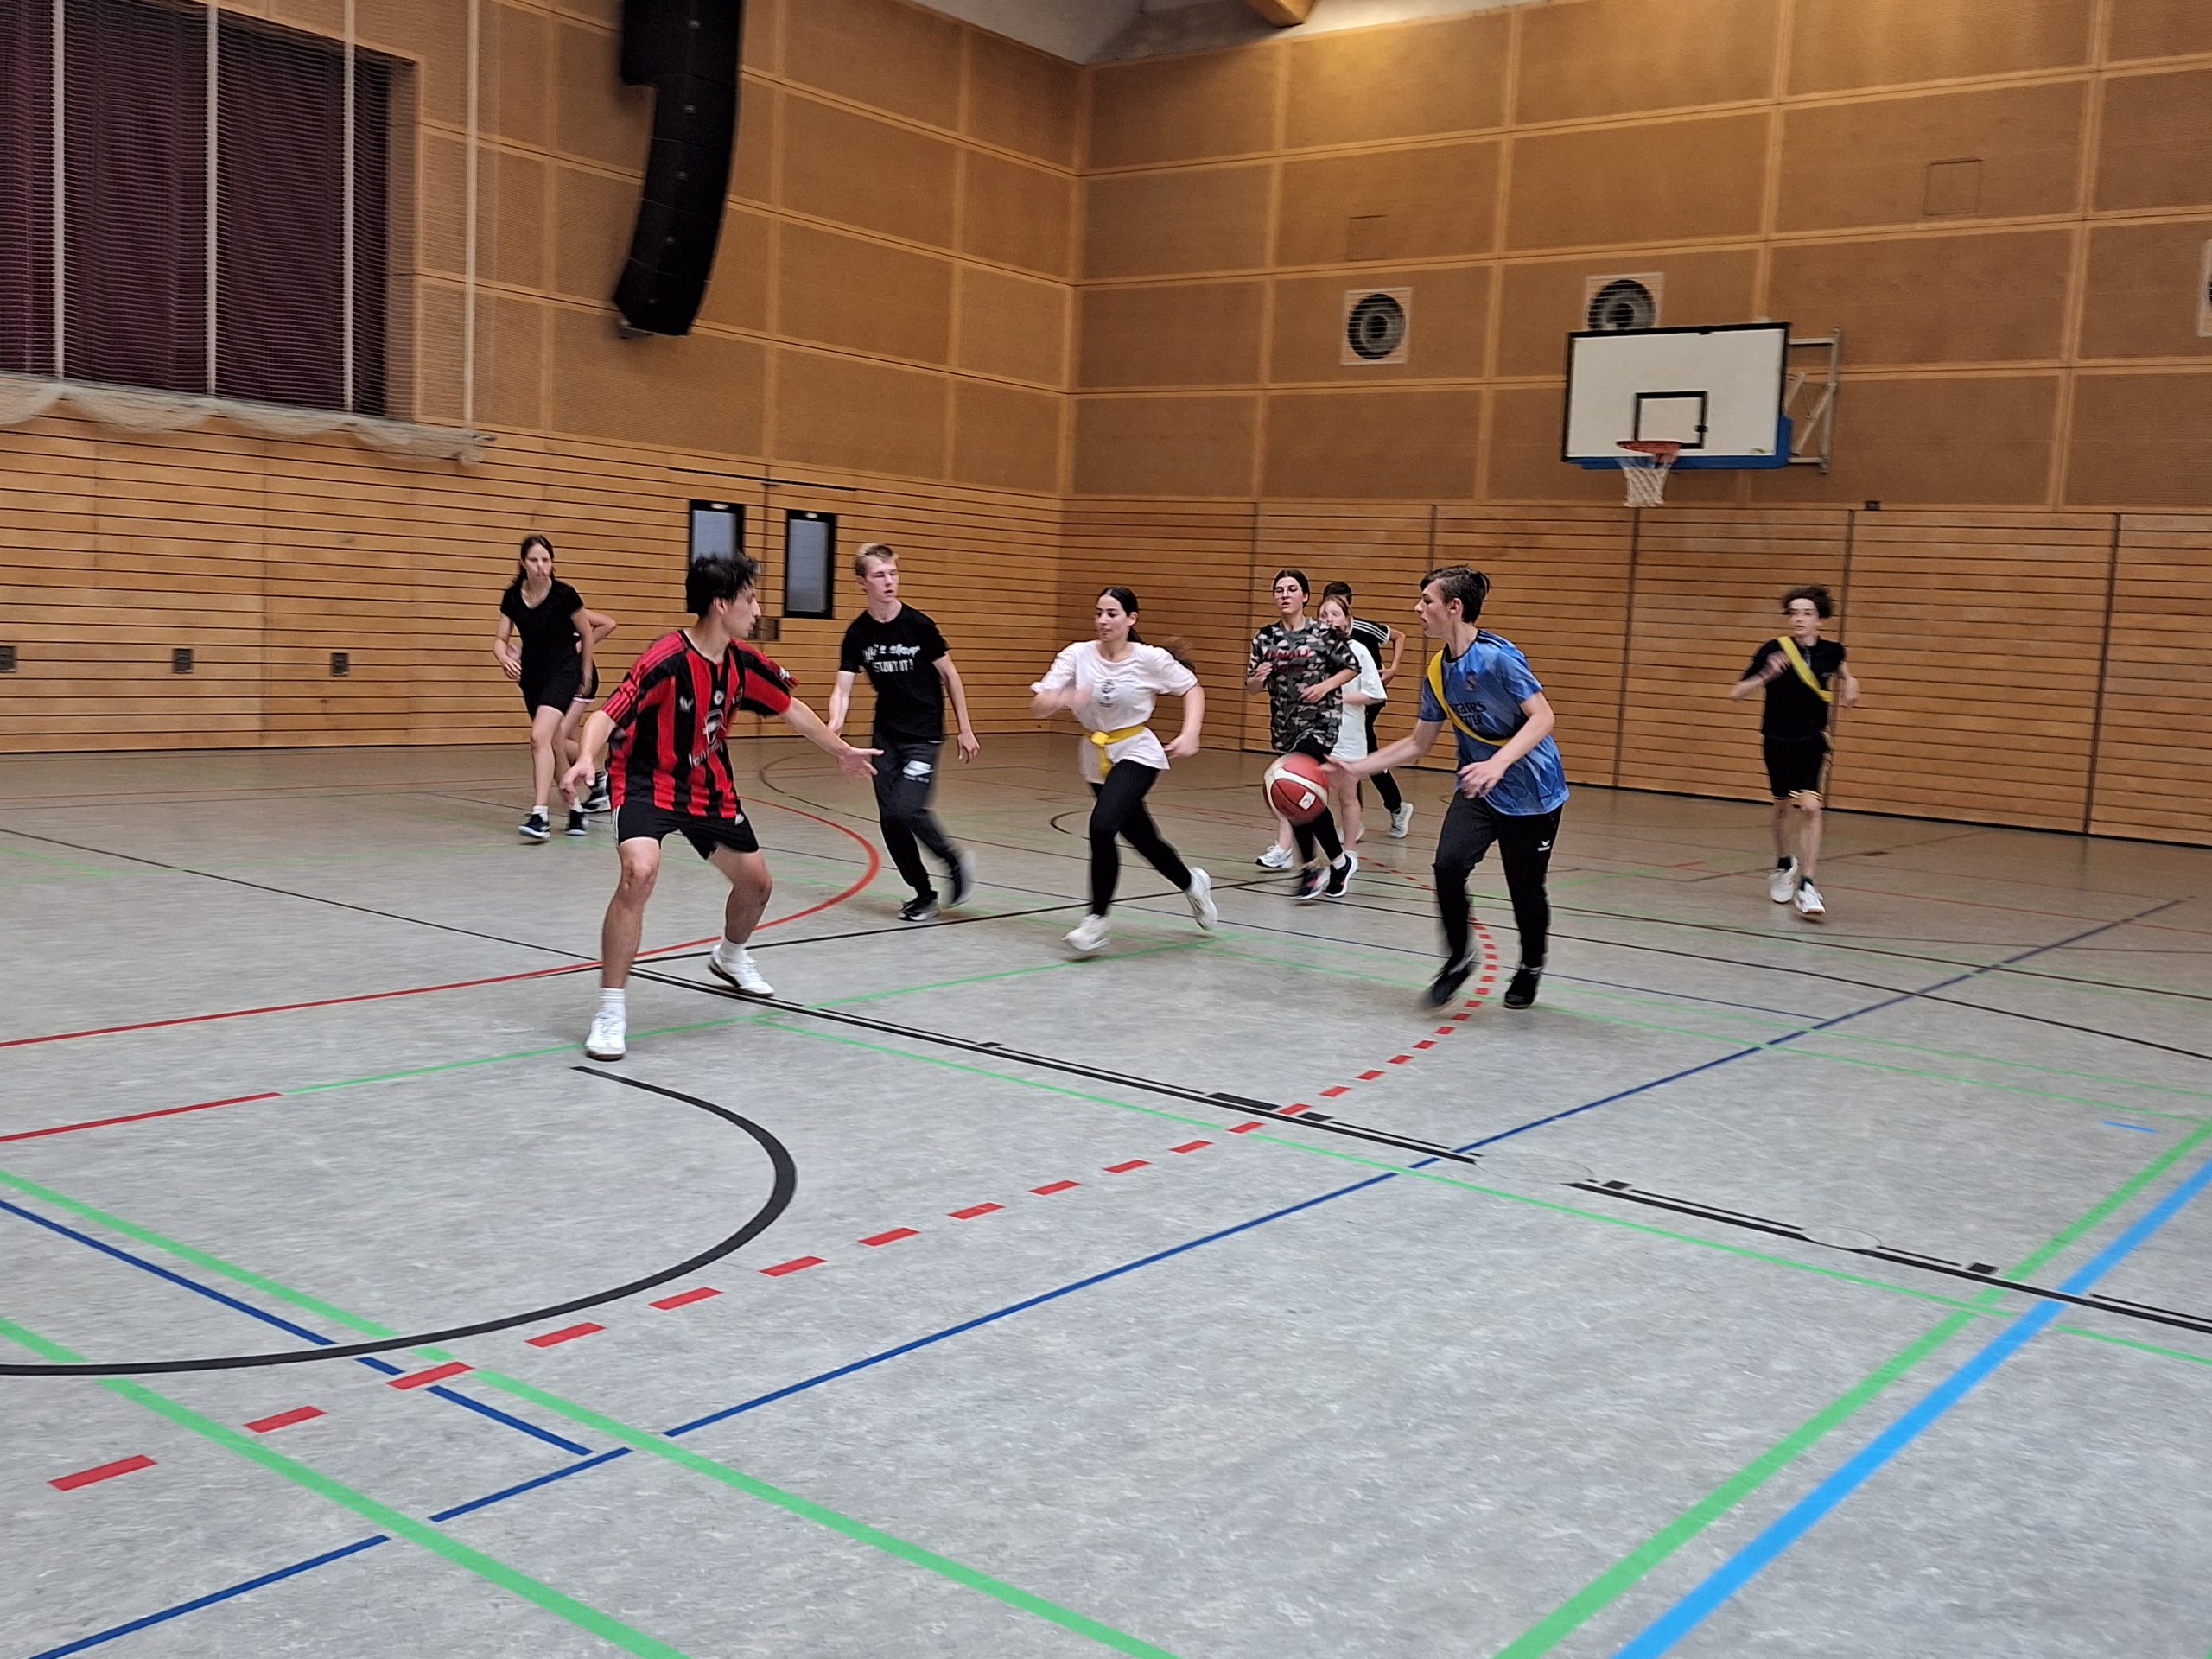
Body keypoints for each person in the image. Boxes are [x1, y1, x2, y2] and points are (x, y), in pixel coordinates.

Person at [561, 556, 879, 1062]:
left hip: (708, 788)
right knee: (639, 873)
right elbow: (607, 714)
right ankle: (611, 1011)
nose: (757, 610)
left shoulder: (742, 663)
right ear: (721, 605)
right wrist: (585, 758)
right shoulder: (666, 659)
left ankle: (730, 957)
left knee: (758, 886)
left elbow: (792, 709)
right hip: (646, 782)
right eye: (750, 599)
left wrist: (841, 750)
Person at [1330, 566, 1568, 1009]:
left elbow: (1543, 718)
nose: (1417, 609)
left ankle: (1531, 965)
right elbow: (1419, 743)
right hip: (1479, 788)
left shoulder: (1499, 659)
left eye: (1427, 601)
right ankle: (1459, 958)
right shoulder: (1439, 670)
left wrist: (1497, 763)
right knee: (1448, 865)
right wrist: (1357, 767)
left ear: (1454, 607)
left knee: (1525, 887)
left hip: (1533, 790)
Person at [1031, 586, 1215, 956]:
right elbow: (1040, 704)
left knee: (1102, 826)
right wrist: (1065, 698)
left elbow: (1192, 688)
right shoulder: (1077, 654)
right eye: (1098, 613)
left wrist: (1190, 733)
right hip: (1096, 755)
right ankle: (1191, 883)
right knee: (1144, 840)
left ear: (1131, 619)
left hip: (1137, 750)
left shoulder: (1150, 659)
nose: (1103, 620)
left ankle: (1096, 921)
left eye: (1112, 614)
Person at [827, 543, 979, 923]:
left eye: (893, 573)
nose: (889, 581)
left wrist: (965, 728)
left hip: (923, 735)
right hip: (886, 738)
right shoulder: (858, 633)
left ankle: (952, 858)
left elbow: (951, 676)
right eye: (879, 575)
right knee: (891, 819)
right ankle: (923, 893)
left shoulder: (919, 625)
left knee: (906, 807)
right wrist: (835, 723)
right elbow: (843, 687)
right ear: (862, 582)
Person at [1730, 584, 1860, 919]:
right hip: (1776, 739)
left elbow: (1844, 671)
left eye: (1807, 613)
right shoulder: (1772, 649)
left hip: (1812, 739)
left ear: (1820, 619)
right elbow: (1737, 693)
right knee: (1781, 809)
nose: (1799, 619)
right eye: (1794, 613)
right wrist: (1766, 674)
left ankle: (1808, 884)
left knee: (1812, 808)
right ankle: (1784, 862)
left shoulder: (1833, 651)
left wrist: (1851, 683)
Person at [1246, 569, 1359, 902]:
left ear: (1305, 596)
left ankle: (1312, 869)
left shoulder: (1323, 633)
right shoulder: (1265, 637)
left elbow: (1351, 666)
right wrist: (1258, 678)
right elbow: (1251, 687)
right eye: (1279, 590)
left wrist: (1325, 686)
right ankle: (1336, 862)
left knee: (1298, 786)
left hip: (1321, 723)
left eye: (1292, 589)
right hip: (1286, 726)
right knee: (1291, 796)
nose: (1285, 595)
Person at [494, 534, 606, 840]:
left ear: (552, 563)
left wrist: (585, 675)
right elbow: (500, 639)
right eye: (534, 560)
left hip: (564, 671)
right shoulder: (513, 597)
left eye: (546, 560)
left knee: (538, 736)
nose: (541, 566)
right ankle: (576, 810)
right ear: (523, 563)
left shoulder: (564, 595)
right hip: (533, 676)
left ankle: (540, 815)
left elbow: (588, 633)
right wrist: (503, 657)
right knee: (554, 743)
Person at [1322, 581, 1412, 839]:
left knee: (1359, 756)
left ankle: (1366, 815)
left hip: (1365, 698)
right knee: (1355, 757)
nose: (1331, 617)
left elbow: (1399, 636)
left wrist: (1394, 667)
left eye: (1338, 608)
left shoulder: (1364, 631)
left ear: (1348, 607)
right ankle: (1392, 808)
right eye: (1326, 610)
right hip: (1339, 702)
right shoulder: (1322, 638)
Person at [1318, 592, 1386, 848]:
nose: (1329, 619)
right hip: (1315, 734)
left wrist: (1337, 697)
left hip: (1348, 735)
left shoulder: (1359, 650)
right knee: (1308, 793)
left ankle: (1349, 850)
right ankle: (1295, 850)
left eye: (1335, 614)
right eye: (1323, 615)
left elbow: (1375, 694)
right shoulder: (1310, 650)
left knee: (1347, 796)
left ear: (1347, 620)